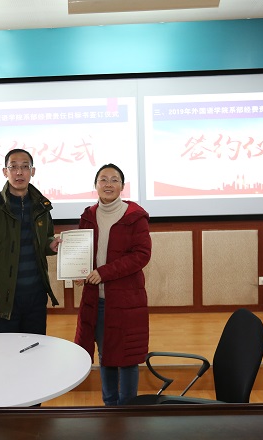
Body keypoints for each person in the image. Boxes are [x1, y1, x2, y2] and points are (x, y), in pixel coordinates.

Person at [74, 163, 152, 406]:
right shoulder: (88, 216)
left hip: (126, 301)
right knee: (105, 355)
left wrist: (103, 273)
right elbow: (83, 253)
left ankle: (128, 409)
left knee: (127, 358)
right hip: (95, 300)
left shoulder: (135, 216)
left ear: (122, 186)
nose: (108, 184)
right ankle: (109, 407)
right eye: (103, 179)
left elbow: (141, 255)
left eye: (114, 180)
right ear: (95, 185)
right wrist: (79, 271)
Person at [0, 148, 61, 335]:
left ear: (32, 171)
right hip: (2, 299)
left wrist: (50, 244)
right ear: (5, 171)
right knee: (4, 351)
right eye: (13, 167)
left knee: (35, 348)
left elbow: (45, 238)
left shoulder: (41, 206)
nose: (19, 172)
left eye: (25, 167)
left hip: (35, 297)